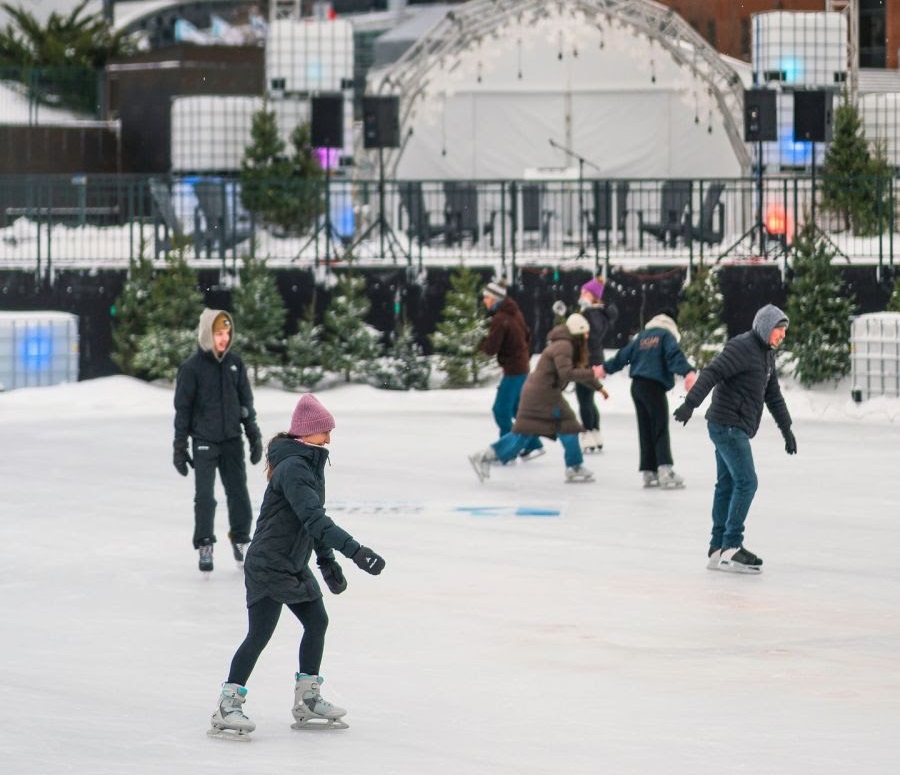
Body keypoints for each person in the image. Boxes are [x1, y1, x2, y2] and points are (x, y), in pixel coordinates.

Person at [208, 393, 386, 740]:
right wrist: (357, 552)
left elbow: (310, 522)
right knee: (259, 634)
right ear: (307, 434)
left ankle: (307, 699)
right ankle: (228, 704)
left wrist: (326, 561)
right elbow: (316, 520)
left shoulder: (308, 463)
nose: (330, 439)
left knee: (317, 621)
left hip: (291, 562)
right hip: (268, 564)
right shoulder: (294, 468)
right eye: (324, 432)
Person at [672, 304, 796, 574]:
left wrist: (786, 429)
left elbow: (772, 395)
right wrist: (690, 405)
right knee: (747, 482)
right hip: (727, 425)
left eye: (784, 331)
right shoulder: (742, 347)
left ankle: (717, 549)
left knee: (727, 484)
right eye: (779, 331)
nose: (782, 336)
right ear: (765, 328)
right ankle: (731, 546)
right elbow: (712, 372)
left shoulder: (765, 355)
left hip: (732, 425)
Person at [173, 309, 263, 573]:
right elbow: (183, 410)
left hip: (232, 440)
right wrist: (179, 445)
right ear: (206, 335)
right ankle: (204, 544)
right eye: (218, 334)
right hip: (204, 441)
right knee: (204, 497)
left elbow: (246, 403)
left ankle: (241, 540)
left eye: (227, 333)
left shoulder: (235, 364)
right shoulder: (191, 369)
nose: (224, 339)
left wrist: (253, 434)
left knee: (238, 493)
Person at [468, 313, 606, 483]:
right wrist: (594, 373)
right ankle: (574, 466)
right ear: (578, 332)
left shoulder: (565, 345)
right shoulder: (564, 346)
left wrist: (598, 387)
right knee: (567, 425)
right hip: (544, 394)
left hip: (537, 392)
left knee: (524, 434)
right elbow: (567, 373)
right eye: (585, 333)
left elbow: (577, 370)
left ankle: (484, 456)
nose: (587, 336)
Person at [597, 309, 697, 488]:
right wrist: (688, 371)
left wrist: (604, 368)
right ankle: (665, 470)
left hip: (637, 387)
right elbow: (673, 355)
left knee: (645, 428)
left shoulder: (641, 337)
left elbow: (622, 356)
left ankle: (649, 472)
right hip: (654, 386)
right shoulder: (666, 336)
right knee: (659, 427)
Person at [479, 280, 543, 460]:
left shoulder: (500, 319)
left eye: (486, 298)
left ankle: (506, 450)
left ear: (495, 299)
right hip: (521, 367)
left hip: (514, 370)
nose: (484, 301)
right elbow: (528, 335)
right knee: (516, 409)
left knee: (501, 411)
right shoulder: (515, 313)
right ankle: (533, 444)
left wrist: (480, 344)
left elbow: (491, 347)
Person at [574, 276, 617, 452]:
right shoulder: (597, 313)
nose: (581, 294)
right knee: (589, 399)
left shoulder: (593, 313)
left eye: (585, 292)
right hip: (594, 359)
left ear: (592, 295)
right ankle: (595, 433)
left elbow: (590, 336)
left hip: (587, 360)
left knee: (583, 398)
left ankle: (588, 434)